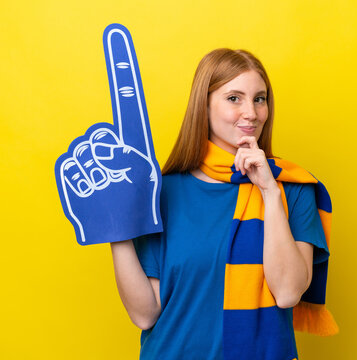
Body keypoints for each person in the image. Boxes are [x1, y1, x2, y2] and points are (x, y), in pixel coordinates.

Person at [109, 48, 332, 359]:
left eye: (259, 98)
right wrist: (113, 227)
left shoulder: (292, 188)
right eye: (234, 98)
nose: (251, 113)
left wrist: (269, 191)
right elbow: (145, 314)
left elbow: (287, 292)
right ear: (205, 105)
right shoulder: (161, 192)